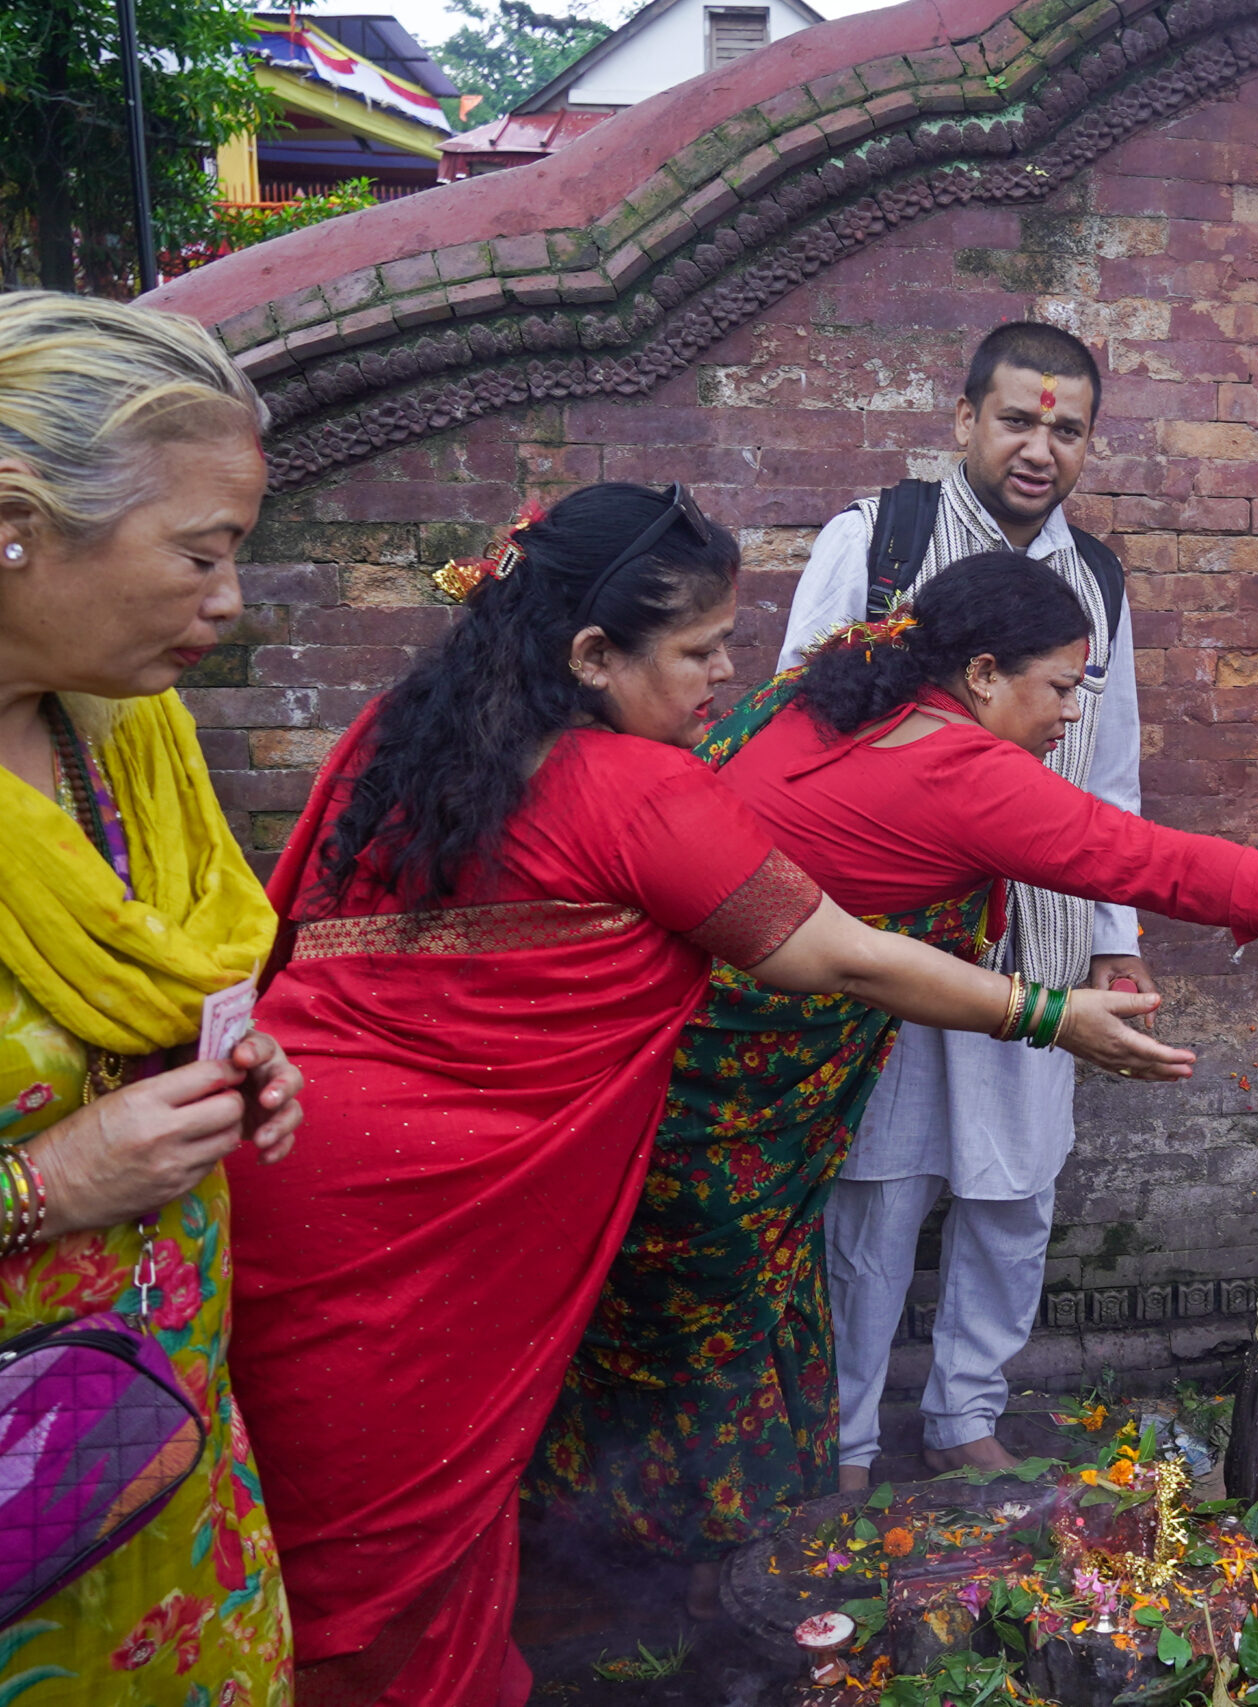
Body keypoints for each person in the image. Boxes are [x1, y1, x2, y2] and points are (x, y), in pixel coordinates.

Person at [224, 485, 1184, 1707]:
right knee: (394, 1574)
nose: (726, 674)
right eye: (695, 651)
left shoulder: (393, 735)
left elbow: (280, 933)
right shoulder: (638, 789)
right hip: (433, 1215)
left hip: (283, 1150)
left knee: (317, 1534)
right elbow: (834, 951)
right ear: (589, 655)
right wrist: (1049, 1014)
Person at [529, 553, 1258, 1606]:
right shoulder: (965, 774)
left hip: (658, 1041)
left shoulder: (849, 677)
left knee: (681, 1288)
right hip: (719, 1079)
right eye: (1060, 689)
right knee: (702, 1316)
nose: (1070, 718)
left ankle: (645, 1531)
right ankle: (677, 1570)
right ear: (985, 674)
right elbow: (1159, 863)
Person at [776, 321, 1158, 1485]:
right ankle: (843, 1441)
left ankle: (962, 1419)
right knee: (876, 1190)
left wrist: (1113, 946)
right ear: (963, 422)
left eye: (1067, 427)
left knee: (1015, 1186)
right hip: (881, 931)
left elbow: (1108, 773)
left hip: (1033, 926)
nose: (1040, 447)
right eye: (1018, 419)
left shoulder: (1094, 578)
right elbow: (795, 721)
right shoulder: (878, 540)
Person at [0, 292, 307, 1695]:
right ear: (18, 523)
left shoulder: (120, 730)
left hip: (153, 1456)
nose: (230, 599)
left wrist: (232, 1067)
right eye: (203, 551)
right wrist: (43, 1187)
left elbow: (172, 986)